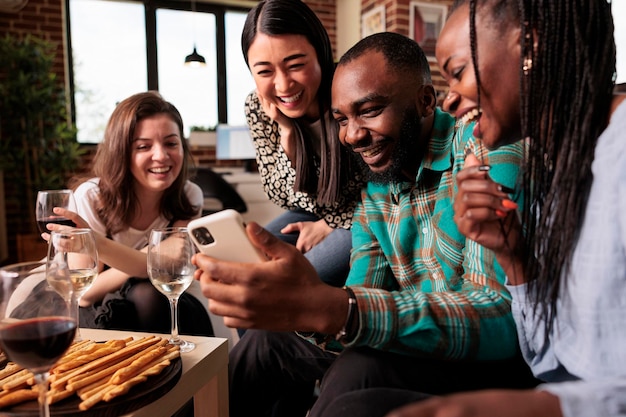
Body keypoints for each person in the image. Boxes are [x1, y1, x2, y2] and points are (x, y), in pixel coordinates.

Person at [193, 32, 537, 417]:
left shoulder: (485, 149)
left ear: (426, 101)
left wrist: (340, 309)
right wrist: (306, 310)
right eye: (341, 119)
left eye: (370, 111)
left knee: (358, 371)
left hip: (485, 360)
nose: (352, 136)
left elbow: (501, 321)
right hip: (412, 340)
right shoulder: (376, 187)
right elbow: (362, 292)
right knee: (267, 342)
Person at [335, 1, 620, 416]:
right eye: (340, 118)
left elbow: (562, 369)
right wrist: (512, 252)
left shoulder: (599, 158)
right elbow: (551, 358)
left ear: (528, 47)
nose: (452, 100)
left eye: (459, 72)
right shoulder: (568, 165)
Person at [55, 91, 213, 337]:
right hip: (87, 309)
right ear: (121, 152)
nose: (161, 156)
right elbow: (84, 294)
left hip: (151, 299)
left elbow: (175, 272)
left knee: (159, 299)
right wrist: (154, 257)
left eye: (171, 143)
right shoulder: (91, 197)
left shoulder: (189, 194)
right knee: (147, 296)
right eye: (143, 146)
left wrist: (118, 255)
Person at [241, 0, 364, 287]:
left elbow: (384, 188)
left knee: (286, 285)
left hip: (365, 214)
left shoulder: (350, 91)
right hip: (314, 210)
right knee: (246, 268)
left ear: (320, 55)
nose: (283, 86)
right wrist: (287, 134)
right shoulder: (258, 107)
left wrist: (329, 225)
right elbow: (281, 195)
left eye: (295, 65)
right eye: (264, 72)